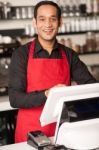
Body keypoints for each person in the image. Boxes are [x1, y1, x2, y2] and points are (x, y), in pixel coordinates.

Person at [8, 1, 97, 143]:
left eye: (53, 19)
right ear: (34, 22)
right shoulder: (21, 54)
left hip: (63, 130)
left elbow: (91, 87)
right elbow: (15, 98)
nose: (48, 24)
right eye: (42, 19)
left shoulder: (69, 54)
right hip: (31, 133)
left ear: (60, 22)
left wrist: (74, 93)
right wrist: (48, 94)